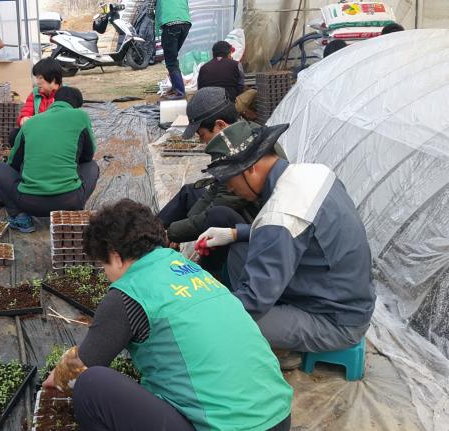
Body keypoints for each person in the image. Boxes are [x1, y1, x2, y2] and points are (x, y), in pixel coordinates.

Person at [42, 199, 293, 431]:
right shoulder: (187, 270)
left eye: (103, 265)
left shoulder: (128, 294)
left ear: (117, 256)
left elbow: (83, 364)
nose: (105, 275)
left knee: (91, 385)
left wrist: (57, 377)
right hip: (278, 426)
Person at [195, 121, 376, 368]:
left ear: (250, 170)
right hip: (339, 288)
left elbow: (253, 302)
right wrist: (234, 234)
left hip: (337, 320)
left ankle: (282, 347)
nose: (228, 188)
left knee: (235, 322)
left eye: (229, 180)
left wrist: (202, 307)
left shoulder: (280, 215)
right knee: (239, 250)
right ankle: (279, 329)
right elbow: (301, 231)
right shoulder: (313, 173)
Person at [157, 87, 286, 246]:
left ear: (220, 125)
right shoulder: (237, 138)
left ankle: (204, 265)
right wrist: (180, 228)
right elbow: (215, 190)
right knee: (189, 192)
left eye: (202, 135)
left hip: (253, 222)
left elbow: (220, 204)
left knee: (217, 215)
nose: (203, 143)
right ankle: (150, 233)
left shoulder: (243, 153)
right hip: (240, 211)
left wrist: (173, 233)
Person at [0, 86, 99, 233]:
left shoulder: (30, 123)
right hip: (70, 201)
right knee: (92, 166)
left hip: (30, 203)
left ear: (54, 100)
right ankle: (73, 213)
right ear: (77, 106)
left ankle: (20, 217)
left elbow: (13, 163)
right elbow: (88, 155)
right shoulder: (81, 116)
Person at [10, 58, 63, 145]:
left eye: (40, 78)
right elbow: (26, 111)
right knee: (15, 135)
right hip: (38, 132)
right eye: (36, 78)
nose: (37, 82)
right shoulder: (35, 94)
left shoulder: (65, 94)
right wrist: (24, 119)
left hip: (57, 134)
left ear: (53, 79)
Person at [157, 0, 192, 100]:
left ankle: (180, 92)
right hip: (185, 23)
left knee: (171, 61)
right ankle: (175, 86)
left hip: (171, 24)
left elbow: (151, 10)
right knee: (172, 58)